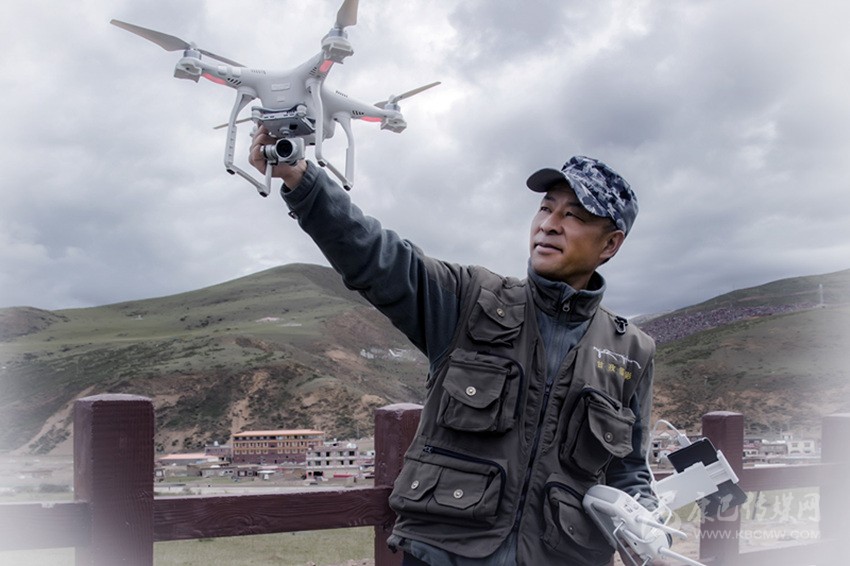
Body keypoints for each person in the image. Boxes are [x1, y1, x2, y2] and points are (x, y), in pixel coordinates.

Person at [250, 127, 660, 566]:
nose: (548, 224)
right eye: (546, 207)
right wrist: (301, 178)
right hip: (444, 556)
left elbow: (628, 469)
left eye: (573, 215)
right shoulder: (469, 299)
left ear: (610, 244)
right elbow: (374, 256)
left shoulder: (631, 351)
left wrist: (652, 532)